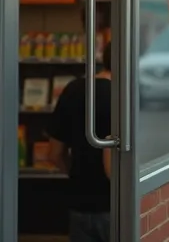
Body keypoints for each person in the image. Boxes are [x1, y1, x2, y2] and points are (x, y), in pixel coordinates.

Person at [47, 42, 113, 242]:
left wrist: (78, 175)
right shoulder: (126, 97)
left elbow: (54, 154)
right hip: (116, 207)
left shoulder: (73, 89)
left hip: (79, 204)